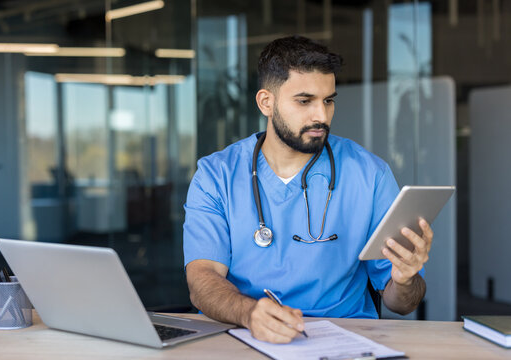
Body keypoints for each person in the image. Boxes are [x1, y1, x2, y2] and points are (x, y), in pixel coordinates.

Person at [183, 35, 433, 344]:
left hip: (345, 341)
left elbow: (401, 302)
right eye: (305, 101)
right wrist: (248, 313)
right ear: (266, 102)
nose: (321, 116)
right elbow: (202, 281)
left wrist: (405, 279)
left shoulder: (370, 175)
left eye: (328, 101)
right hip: (246, 336)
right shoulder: (216, 176)